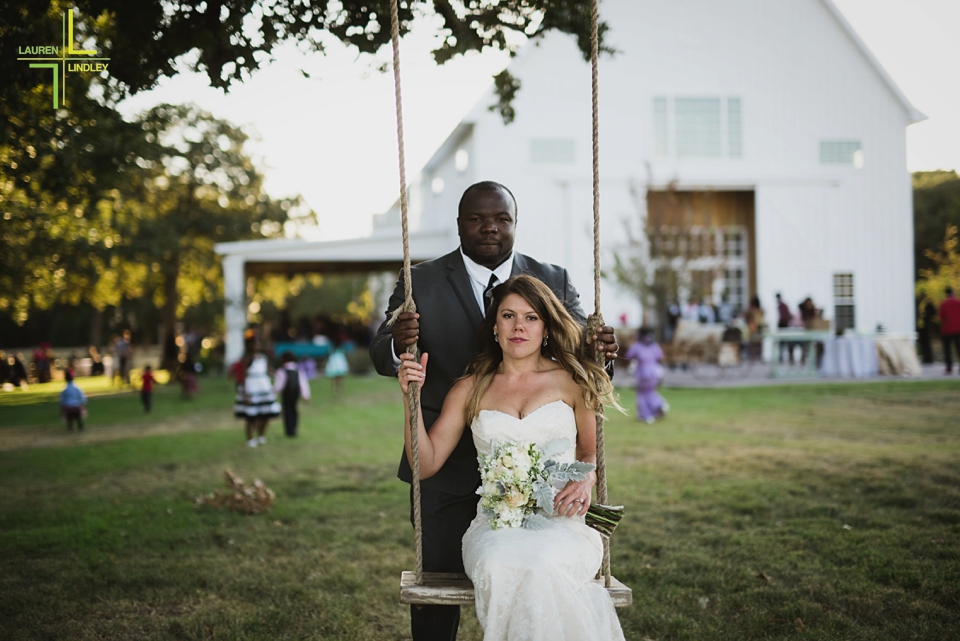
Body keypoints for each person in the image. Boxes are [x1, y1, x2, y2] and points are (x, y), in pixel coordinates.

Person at [370, 181, 619, 641]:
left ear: (515, 224)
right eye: (477, 218)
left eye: (502, 218)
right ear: (460, 223)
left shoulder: (553, 279)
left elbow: (587, 353)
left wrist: (603, 350)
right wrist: (398, 344)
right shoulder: (419, 280)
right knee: (436, 593)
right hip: (446, 470)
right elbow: (382, 345)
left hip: (552, 499)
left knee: (541, 569)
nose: (490, 227)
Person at [397, 275, 625, 641]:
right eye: (508, 316)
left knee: (543, 566)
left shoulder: (572, 382)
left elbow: (590, 448)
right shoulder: (469, 388)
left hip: (563, 524)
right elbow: (426, 463)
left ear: (546, 327)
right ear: (494, 327)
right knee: (499, 564)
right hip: (495, 528)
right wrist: (411, 401)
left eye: (531, 317)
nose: (519, 326)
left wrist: (585, 478)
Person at [233, 332, 280, 447]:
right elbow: (242, 376)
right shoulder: (247, 359)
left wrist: (281, 375)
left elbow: (270, 371)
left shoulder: (263, 358)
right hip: (252, 387)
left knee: (265, 413)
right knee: (251, 416)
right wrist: (245, 393)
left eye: (258, 343)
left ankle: (261, 435)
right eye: (254, 343)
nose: (256, 346)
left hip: (263, 387)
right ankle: (250, 438)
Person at [624, 328, 668, 424]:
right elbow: (660, 356)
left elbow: (628, 356)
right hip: (655, 373)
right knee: (650, 392)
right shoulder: (654, 345)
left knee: (642, 394)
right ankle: (658, 405)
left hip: (643, 373)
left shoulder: (637, 346)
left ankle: (646, 415)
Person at [274, 351, 310, 437]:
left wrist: (274, 392)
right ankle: (293, 429)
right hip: (295, 393)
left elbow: (279, 385)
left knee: (287, 411)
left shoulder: (282, 371)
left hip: (286, 394)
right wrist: (305, 395)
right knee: (294, 410)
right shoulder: (298, 370)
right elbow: (303, 384)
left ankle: (289, 430)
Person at [939, 287, 960, 374]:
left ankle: (949, 368)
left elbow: (941, 317)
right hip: (958, 329)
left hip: (947, 329)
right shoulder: (958, 303)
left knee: (947, 350)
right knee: (959, 349)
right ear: (953, 292)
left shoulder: (943, 304)